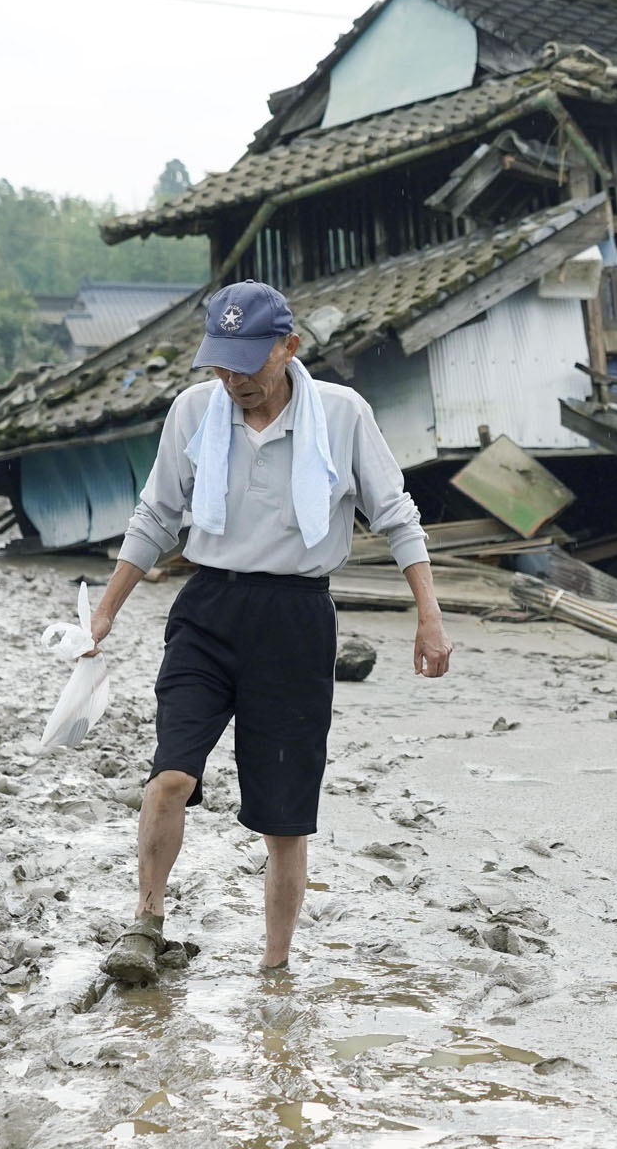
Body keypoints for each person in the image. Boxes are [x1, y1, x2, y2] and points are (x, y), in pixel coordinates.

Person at [88, 279, 451, 985]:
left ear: (290, 346)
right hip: (208, 612)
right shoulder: (195, 411)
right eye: (221, 364)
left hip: (295, 619)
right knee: (170, 776)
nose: (234, 381)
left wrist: (429, 617)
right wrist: (106, 611)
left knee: (285, 816)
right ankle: (146, 922)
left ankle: (275, 967)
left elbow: (397, 515)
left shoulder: (341, 415)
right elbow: (156, 515)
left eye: (249, 363)